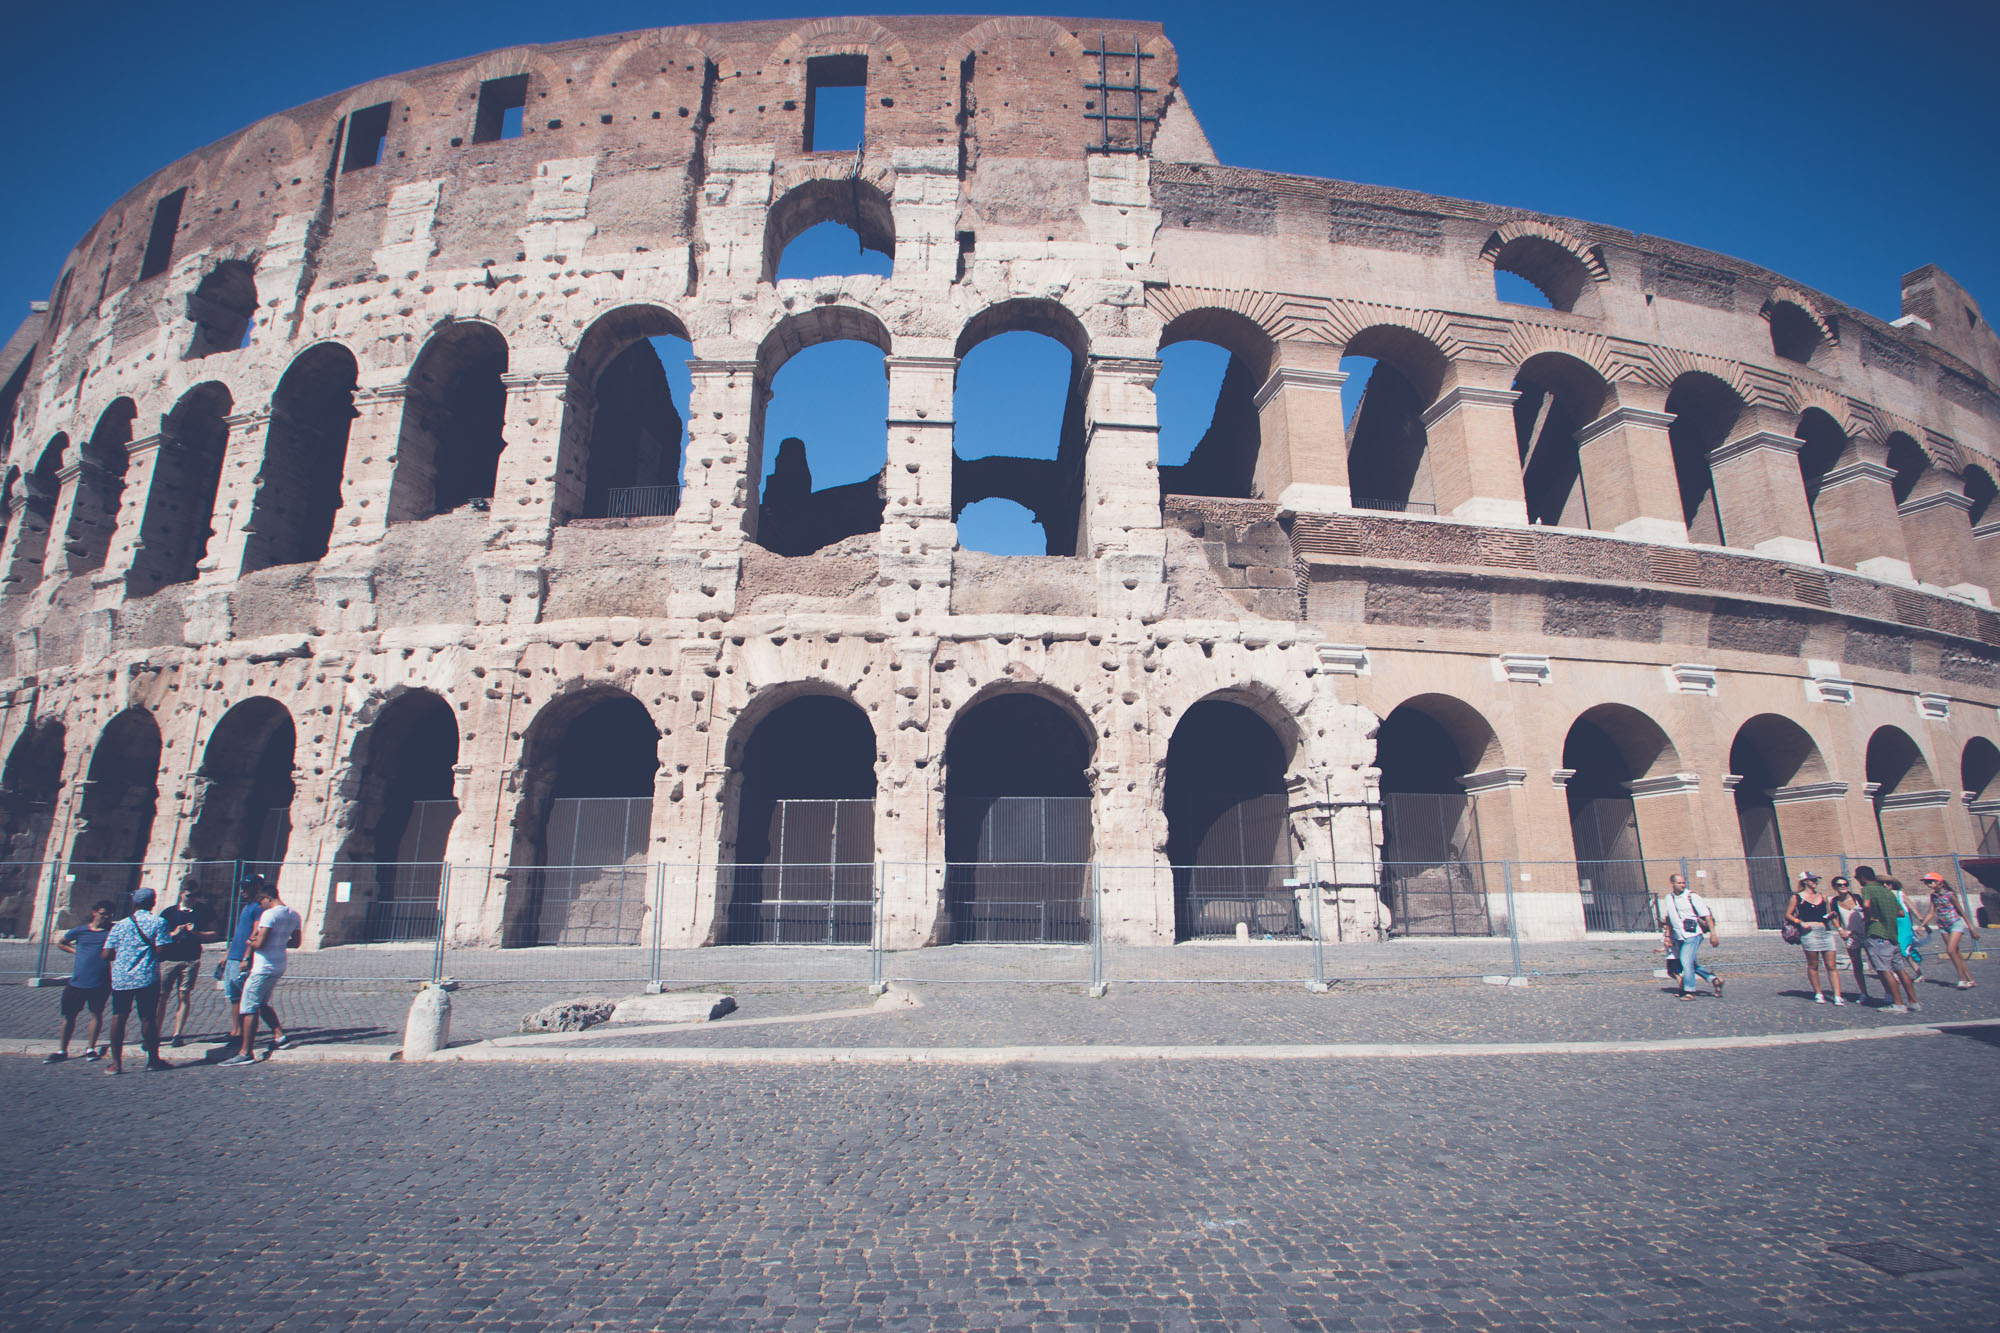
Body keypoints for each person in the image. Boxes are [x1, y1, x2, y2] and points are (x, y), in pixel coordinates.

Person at [220, 879, 301, 1068]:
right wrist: (278, 943)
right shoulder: (293, 914)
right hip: (279, 963)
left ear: (267, 898)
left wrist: (250, 942)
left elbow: (260, 943)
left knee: (248, 1007)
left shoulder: (269, 915)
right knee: (262, 1002)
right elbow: (295, 942)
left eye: (261, 901)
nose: (260, 905)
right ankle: (280, 1037)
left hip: (263, 966)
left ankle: (245, 1051)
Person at [101, 887, 172, 1074]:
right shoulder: (159, 922)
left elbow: (106, 954)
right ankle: (153, 1060)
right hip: (146, 976)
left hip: (121, 977)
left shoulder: (120, 925)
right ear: (153, 902)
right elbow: (163, 952)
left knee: (118, 1016)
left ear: (134, 903)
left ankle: (116, 1063)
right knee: (148, 1017)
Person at [45, 901, 116, 1064]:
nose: (105, 917)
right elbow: (61, 943)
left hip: (101, 981)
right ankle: (62, 1049)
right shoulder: (81, 930)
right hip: (78, 981)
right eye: (103, 913)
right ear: (94, 912)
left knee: (96, 1014)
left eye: (109, 914)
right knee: (69, 1016)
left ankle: (90, 1048)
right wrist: (75, 951)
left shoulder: (112, 932)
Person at [155, 885, 217, 1048]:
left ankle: (177, 1034)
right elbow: (158, 935)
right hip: (169, 958)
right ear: (182, 894)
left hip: (191, 958)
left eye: (196, 896)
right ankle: (155, 1033)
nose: (192, 899)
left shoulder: (203, 911)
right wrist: (173, 933)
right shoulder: (169, 913)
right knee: (161, 997)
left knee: (184, 995)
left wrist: (197, 934)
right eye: (189, 895)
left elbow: (214, 933)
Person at [1854, 866, 1919, 1014]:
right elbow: (1901, 912)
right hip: (1892, 934)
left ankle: (1898, 1003)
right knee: (1901, 969)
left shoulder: (1868, 889)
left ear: (1863, 878)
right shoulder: (1887, 892)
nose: (1858, 881)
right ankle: (1913, 1001)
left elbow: (1866, 905)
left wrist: (1869, 916)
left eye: (1857, 878)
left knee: (1884, 970)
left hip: (1878, 933)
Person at [1784, 871, 1846, 1005]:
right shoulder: (1797, 897)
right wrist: (1799, 922)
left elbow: (1830, 914)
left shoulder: (1823, 897)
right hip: (1809, 932)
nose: (1815, 882)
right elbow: (1788, 914)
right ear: (1805, 881)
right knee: (1813, 964)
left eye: (1816, 880)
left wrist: (1835, 922)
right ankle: (1818, 993)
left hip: (1825, 931)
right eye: (1812, 880)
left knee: (1831, 965)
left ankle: (1837, 995)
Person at [1658, 872, 1722, 1000]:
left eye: (1683, 882)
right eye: (1679, 883)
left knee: (1685, 961)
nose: (1682, 885)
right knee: (1690, 964)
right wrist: (1667, 936)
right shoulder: (1668, 898)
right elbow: (1669, 918)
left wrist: (1713, 934)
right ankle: (1714, 979)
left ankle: (1689, 991)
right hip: (1678, 936)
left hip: (1693, 935)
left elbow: (1707, 916)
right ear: (1672, 884)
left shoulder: (1692, 897)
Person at [1919, 871, 1980, 989]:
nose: (1928, 884)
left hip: (1955, 924)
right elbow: (1931, 912)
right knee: (1956, 953)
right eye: (1927, 882)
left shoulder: (1950, 895)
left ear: (1939, 883)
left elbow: (1962, 912)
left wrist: (1972, 929)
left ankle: (1961, 979)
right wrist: (1922, 925)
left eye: (1931, 882)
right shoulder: (1933, 896)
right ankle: (1970, 979)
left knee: (1950, 950)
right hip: (1943, 926)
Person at [1832, 879, 1870, 1002]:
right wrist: (1840, 929)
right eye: (1839, 885)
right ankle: (1864, 993)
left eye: (1845, 884)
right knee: (1856, 964)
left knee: (1875, 962)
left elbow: (1868, 912)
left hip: (1866, 934)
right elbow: (1834, 917)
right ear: (1835, 887)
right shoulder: (1834, 902)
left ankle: (1888, 992)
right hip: (1851, 936)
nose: (1843, 887)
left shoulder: (1857, 898)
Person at [1886, 878, 1926, 981]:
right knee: (1895, 949)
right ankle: (1903, 973)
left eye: (1887, 883)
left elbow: (1913, 908)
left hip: (1904, 926)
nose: (1885, 886)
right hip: (1893, 925)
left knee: (1902, 949)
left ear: (1891, 884)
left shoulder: (1900, 894)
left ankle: (1916, 973)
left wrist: (1922, 923)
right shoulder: (1884, 897)